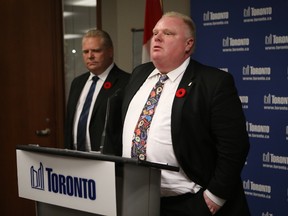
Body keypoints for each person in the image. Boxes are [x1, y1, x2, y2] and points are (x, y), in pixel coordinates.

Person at [121, 12, 250, 216]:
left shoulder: (213, 82)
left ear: (188, 44)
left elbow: (234, 146)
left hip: (190, 203)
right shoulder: (139, 75)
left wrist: (214, 197)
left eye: (168, 33)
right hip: (138, 198)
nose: (157, 37)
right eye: (155, 32)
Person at [64, 29, 130, 152]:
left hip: (107, 161)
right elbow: (70, 124)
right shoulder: (77, 83)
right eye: (85, 51)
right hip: (74, 157)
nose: (90, 56)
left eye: (96, 51)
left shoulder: (126, 82)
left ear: (110, 52)